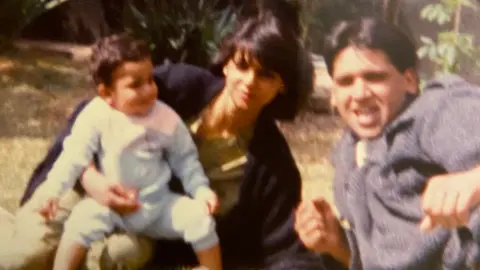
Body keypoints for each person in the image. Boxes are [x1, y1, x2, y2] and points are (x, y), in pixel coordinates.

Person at [0, 5, 342, 270]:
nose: (249, 81)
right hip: (85, 180)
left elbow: (285, 249)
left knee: (118, 255)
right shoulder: (175, 87)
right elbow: (87, 121)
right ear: (226, 64)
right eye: (242, 65)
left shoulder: (272, 163)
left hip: (142, 221)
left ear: (281, 86)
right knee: (22, 259)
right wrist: (92, 181)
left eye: (266, 75)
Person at [294, 17, 480, 269]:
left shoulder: (434, 111)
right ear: (334, 95)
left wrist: (473, 180)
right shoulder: (348, 154)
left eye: (374, 77)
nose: (359, 94)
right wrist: (335, 242)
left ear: (410, 81)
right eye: (346, 82)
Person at [34, 34, 222, 270]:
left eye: (150, 80)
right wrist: (54, 190)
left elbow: (185, 159)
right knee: (79, 223)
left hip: (157, 205)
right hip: (110, 205)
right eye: (135, 85)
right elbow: (74, 155)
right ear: (107, 94)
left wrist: (201, 191)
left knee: (200, 220)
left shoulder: (165, 118)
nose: (148, 90)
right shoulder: (96, 116)